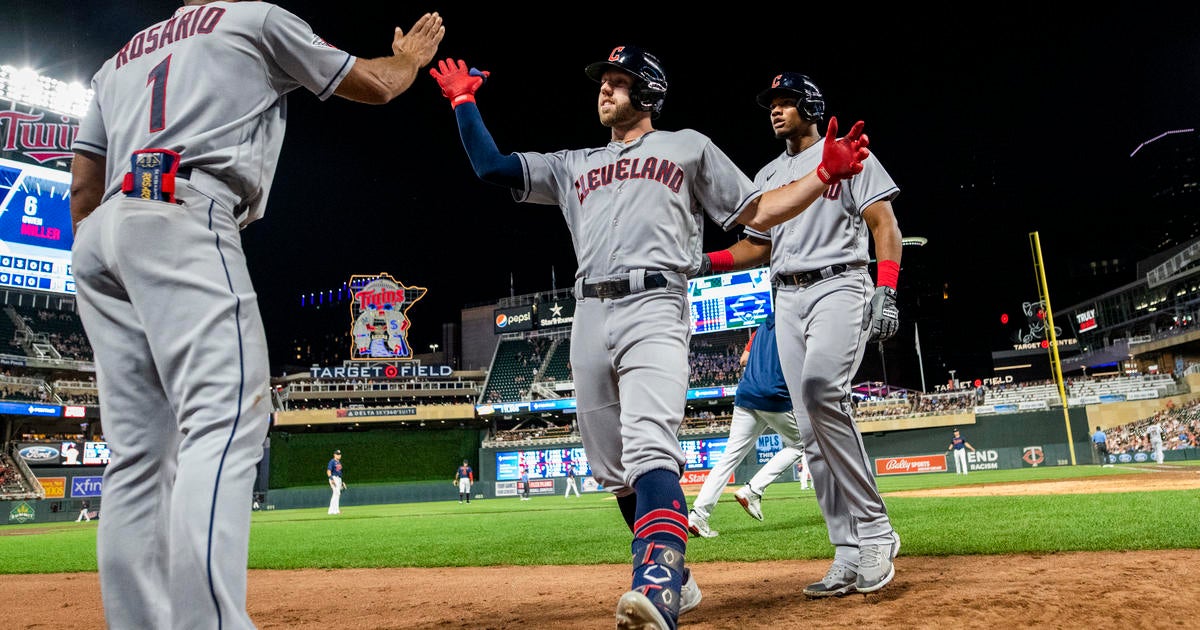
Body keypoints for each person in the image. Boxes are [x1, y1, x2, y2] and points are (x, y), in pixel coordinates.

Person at [429, 47, 869, 629]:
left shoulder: (687, 145)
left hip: (657, 305)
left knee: (650, 449)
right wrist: (464, 103)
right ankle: (680, 582)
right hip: (587, 312)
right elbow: (492, 166)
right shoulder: (573, 162)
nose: (604, 90)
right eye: (603, 82)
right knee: (612, 467)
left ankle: (655, 586)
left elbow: (759, 213)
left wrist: (820, 175)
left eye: (618, 82)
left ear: (649, 93)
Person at [69, 3, 443, 626]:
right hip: (182, 208)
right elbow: (375, 85)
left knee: (137, 454)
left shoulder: (119, 60)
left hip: (102, 232)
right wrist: (409, 59)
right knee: (223, 421)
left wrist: (108, 249)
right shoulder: (251, 19)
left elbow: (82, 186)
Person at [699, 71, 903, 596]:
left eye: (786, 101)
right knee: (809, 428)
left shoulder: (848, 153)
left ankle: (877, 531)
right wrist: (706, 261)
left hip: (841, 282)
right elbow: (756, 247)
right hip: (785, 295)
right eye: (771, 103)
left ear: (810, 106)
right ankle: (847, 549)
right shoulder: (768, 174)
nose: (775, 109)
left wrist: (887, 290)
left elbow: (884, 224)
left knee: (820, 392)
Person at [687, 314, 806, 538]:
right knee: (801, 444)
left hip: (747, 392)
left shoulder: (763, 326)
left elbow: (743, 359)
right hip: (773, 395)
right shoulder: (798, 321)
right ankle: (753, 490)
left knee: (728, 458)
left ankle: (698, 515)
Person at [327, 450, 344, 515]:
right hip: (334, 478)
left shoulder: (339, 462)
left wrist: (342, 482)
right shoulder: (332, 461)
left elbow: (340, 472)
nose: (339, 455)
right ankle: (331, 511)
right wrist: (331, 479)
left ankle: (335, 510)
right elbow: (328, 471)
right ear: (334, 455)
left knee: (337, 494)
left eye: (339, 454)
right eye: (337, 454)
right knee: (336, 493)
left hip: (339, 479)